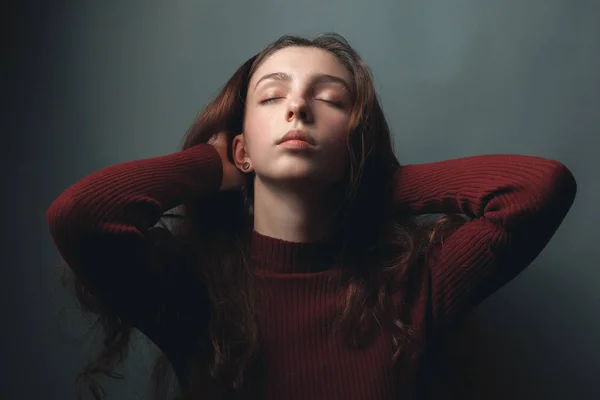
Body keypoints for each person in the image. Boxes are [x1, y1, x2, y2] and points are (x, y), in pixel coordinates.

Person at [46, 33, 577, 400]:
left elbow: (538, 187)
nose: (298, 107)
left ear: (355, 142)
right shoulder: (195, 288)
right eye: (272, 96)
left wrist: (371, 179)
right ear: (243, 150)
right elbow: (82, 216)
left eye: (330, 99)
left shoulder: (413, 287)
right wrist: (208, 165)